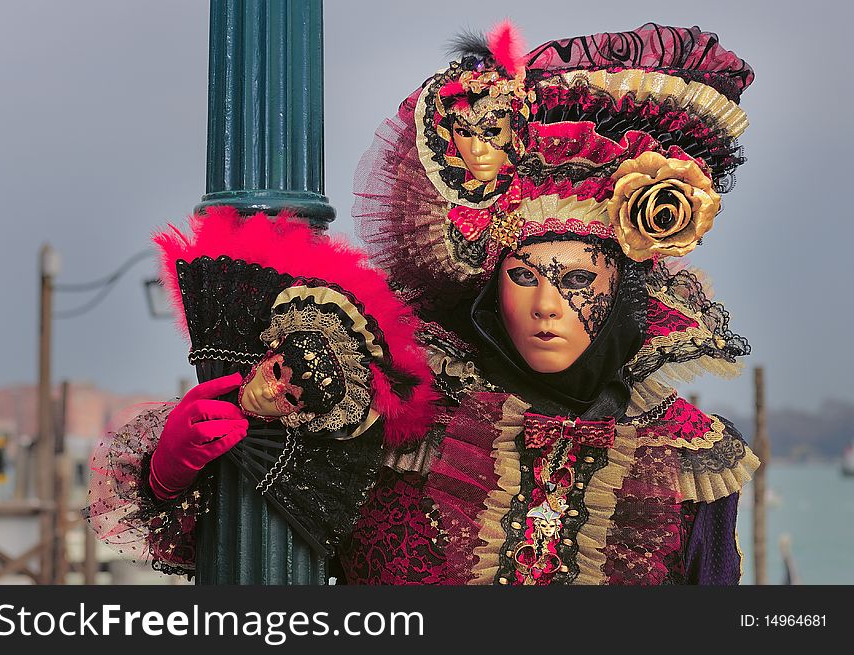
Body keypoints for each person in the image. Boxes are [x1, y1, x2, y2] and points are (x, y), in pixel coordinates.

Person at [87, 21, 758, 585]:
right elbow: (234, 541)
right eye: (526, 277)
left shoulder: (685, 464)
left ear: (624, 289)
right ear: (492, 281)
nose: (549, 307)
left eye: (579, 281)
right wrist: (170, 471)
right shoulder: (397, 413)